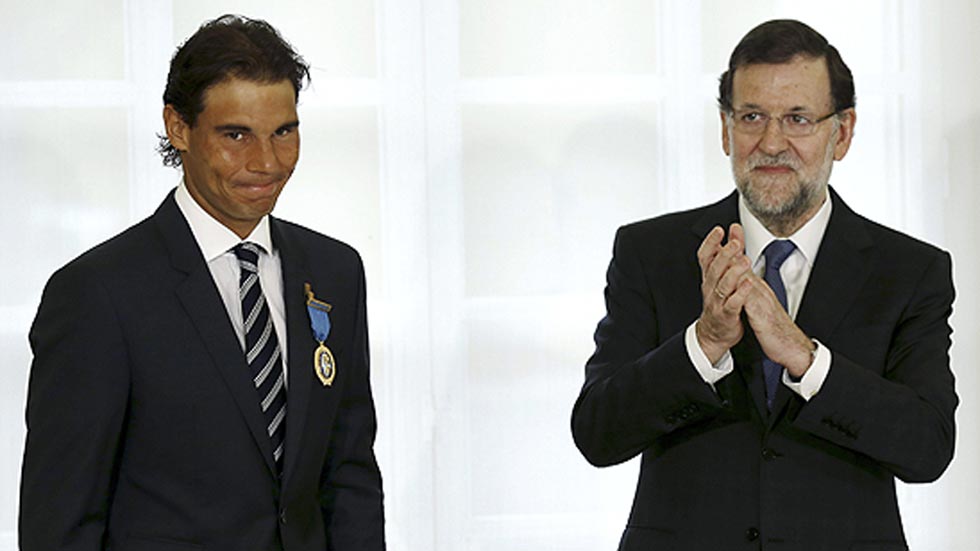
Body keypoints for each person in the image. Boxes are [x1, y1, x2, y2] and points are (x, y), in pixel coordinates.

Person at [572, 19, 957, 550]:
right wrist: (704, 343)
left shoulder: (910, 271)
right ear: (726, 129)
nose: (771, 143)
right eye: (752, 117)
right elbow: (597, 434)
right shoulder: (650, 252)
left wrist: (805, 358)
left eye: (798, 118)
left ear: (842, 132)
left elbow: (928, 449)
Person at [20, 15, 385, 551]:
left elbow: (350, 477)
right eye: (236, 135)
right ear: (178, 127)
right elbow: (60, 523)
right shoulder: (97, 294)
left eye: (284, 132)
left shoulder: (335, 272)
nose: (266, 162)